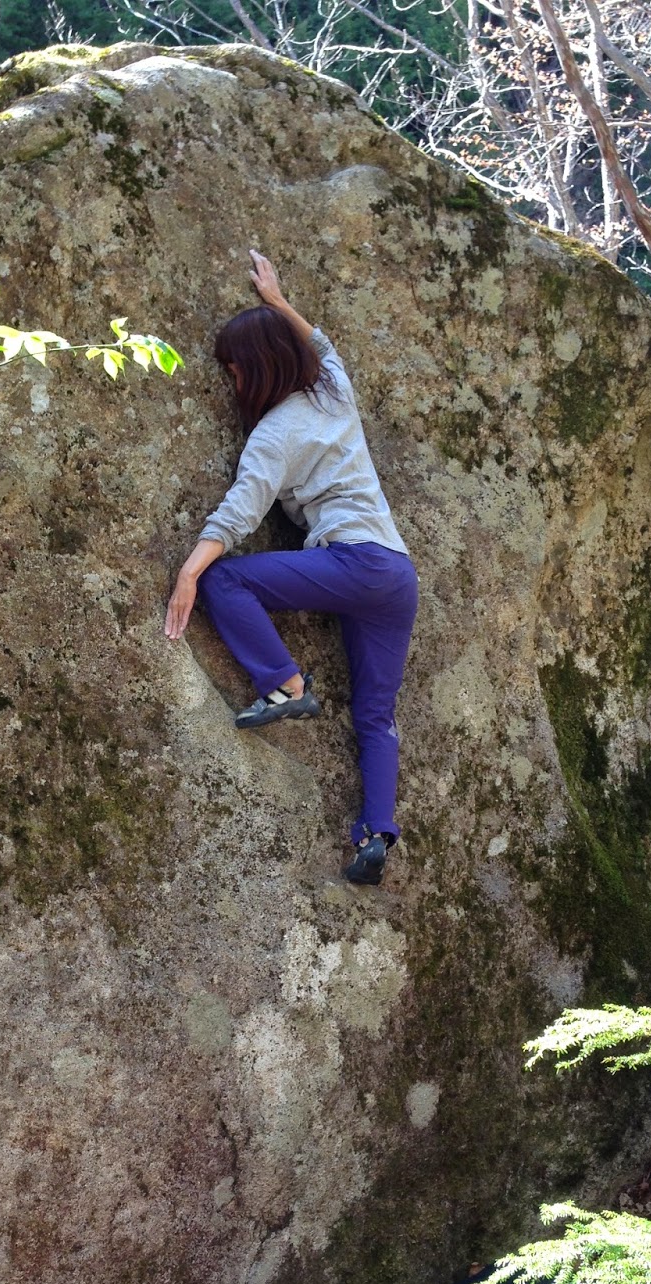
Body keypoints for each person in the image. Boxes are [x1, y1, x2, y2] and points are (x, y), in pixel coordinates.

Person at [164, 250, 419, 887]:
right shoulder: (333, 392)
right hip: (395, 574)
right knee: (375, 714)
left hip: (352, 561)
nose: (232, 382)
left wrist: (190, 571)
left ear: (256, 367)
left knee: (226, 579)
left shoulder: (274, 434)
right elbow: (323, 345)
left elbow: (240, 510)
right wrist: (278, 302)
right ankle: (376, 834)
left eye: (234, 370)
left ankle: (285, 684)